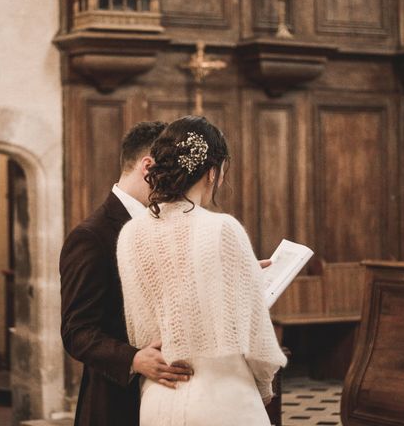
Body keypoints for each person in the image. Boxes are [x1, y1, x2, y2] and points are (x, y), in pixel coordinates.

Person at [117, 116, 287, 426]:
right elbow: (256, 336)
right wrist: (263, 387)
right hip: (222, 396)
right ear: (212, 172)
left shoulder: (130, 234)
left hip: (159, 395)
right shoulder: (222, 228)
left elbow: (140, 331)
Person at [60, 121, 194, 426]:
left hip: (172, 398)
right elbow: (76, 330)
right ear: (149, 166)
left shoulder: (165, 223)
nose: (179, 186)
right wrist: (133, 358)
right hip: (117, 401)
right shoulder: (92, 235)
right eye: (173, 173)